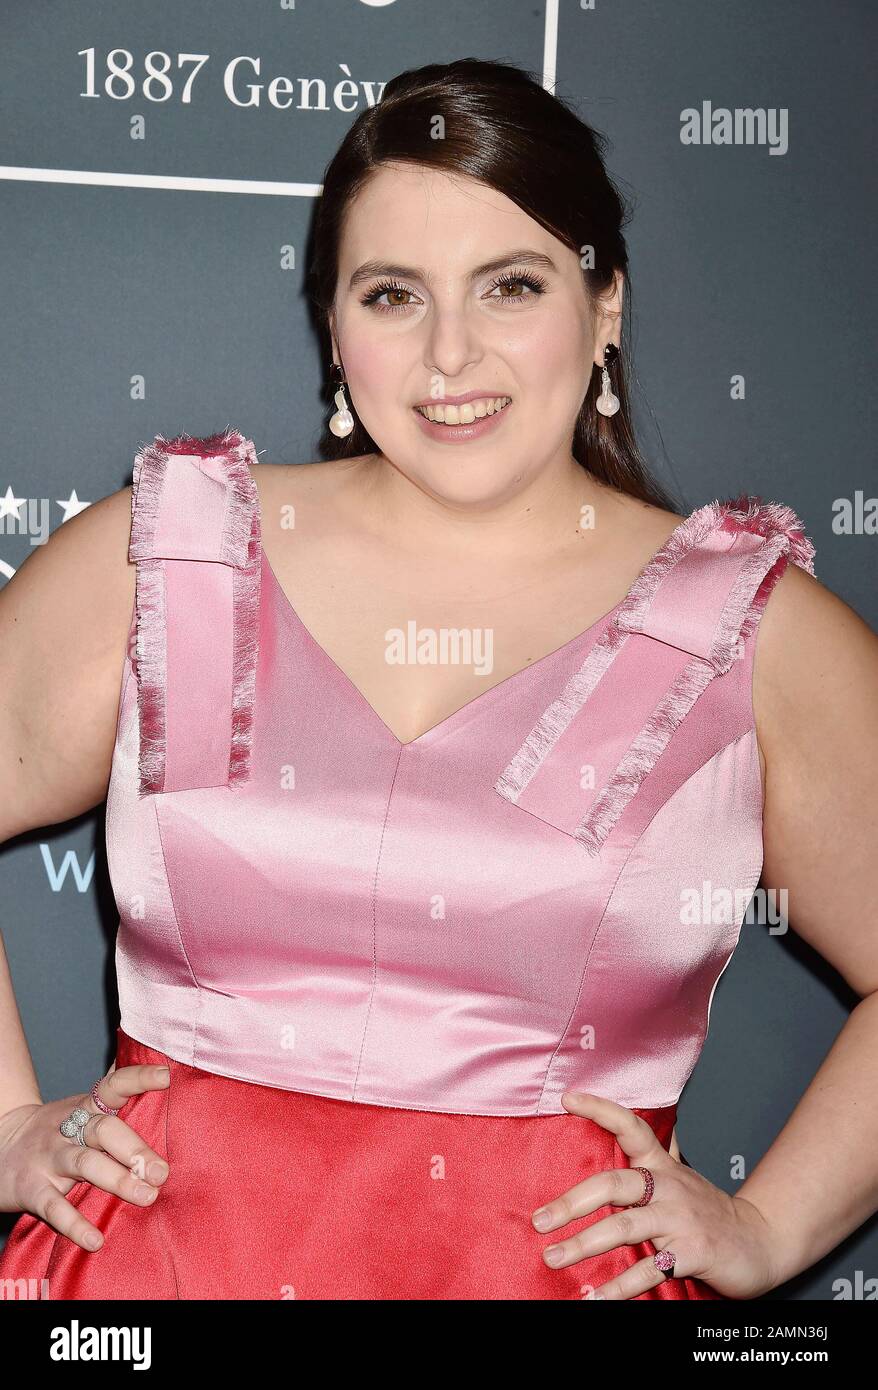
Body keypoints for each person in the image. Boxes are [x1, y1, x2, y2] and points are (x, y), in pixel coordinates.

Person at [1, 57, 876, 1302]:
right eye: (394, 294)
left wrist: (769, 1227)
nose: (449, 354)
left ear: (604, 302)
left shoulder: (747, 631)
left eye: (509, 286)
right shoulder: (174, 551)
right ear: (334, 324)